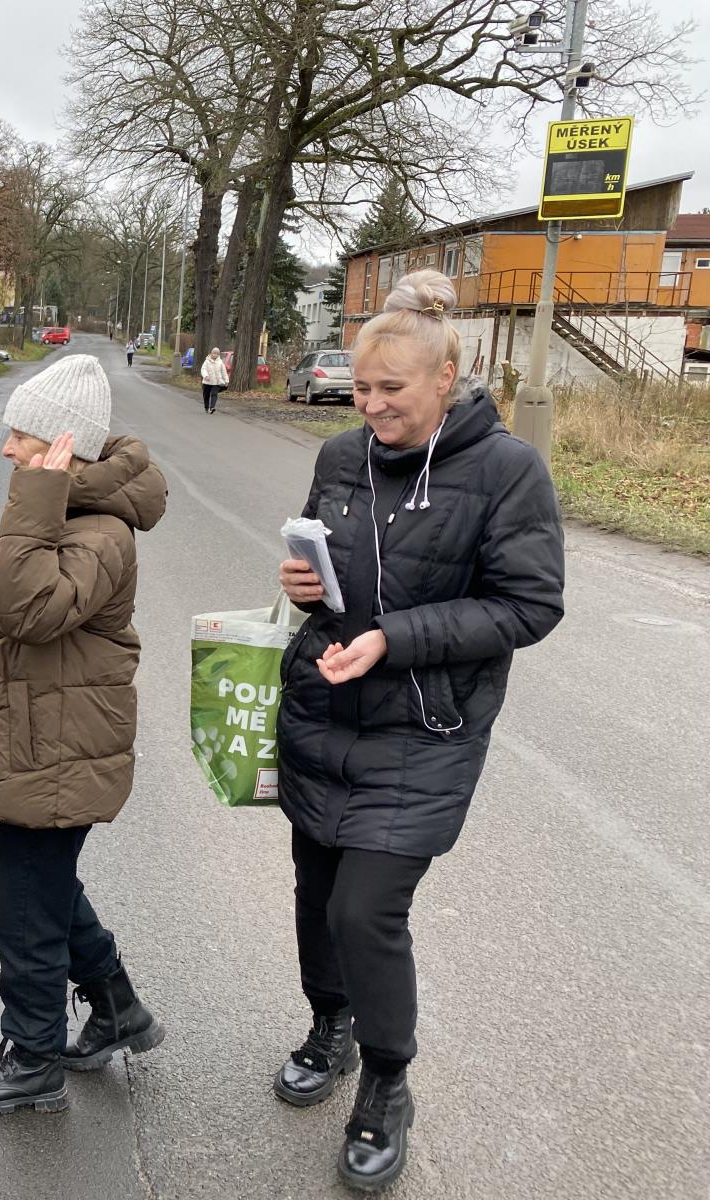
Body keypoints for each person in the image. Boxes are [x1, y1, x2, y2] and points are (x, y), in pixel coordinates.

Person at [274, 270, 564, 1190]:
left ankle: (387, 1084)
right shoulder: (338, 458)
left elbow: (528, 605)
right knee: (318, 896)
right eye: (360, 390)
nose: (371, 407)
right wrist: (304, 588)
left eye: (391, 390)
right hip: (326, 707)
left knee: (367, 909)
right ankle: (331, 1026)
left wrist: (393, 639)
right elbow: (324, 562)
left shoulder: (508, 470)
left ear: (448, 377)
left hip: (425, 728)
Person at [0, 353, 168, 1115]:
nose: (8, 449)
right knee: (48, 894)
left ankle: (33, 1056)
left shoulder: (100, 529)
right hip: (48, 735)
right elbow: (22, 609)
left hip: (64, 747)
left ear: (64, 446)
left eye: (23, 438)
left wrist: (38, 496)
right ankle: (116, 1008)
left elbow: (36, 608)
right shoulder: (66, 511)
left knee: (24, 912)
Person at [200, 346, 229, 413]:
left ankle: (212, 407)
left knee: (214, 394)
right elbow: (203, 369)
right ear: (211, 353)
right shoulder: (207, 361)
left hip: (216, 382)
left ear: (218, 355)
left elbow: (224, 372)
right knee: (206, 395)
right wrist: (206, 376)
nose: (215, 355)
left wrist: (226, 381)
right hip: (207, 382)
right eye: (214, 353)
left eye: (217, 353)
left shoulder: (220, 362)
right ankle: (206, 407)